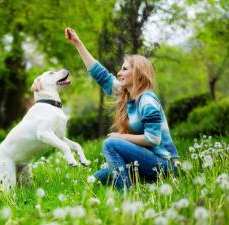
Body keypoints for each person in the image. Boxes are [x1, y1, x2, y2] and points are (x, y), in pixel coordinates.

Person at [64, 27, 180, 191]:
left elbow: (153, 139)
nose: (119, 72)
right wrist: (78, 43)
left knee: (111, 144)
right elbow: (101, 75)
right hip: (146, 161)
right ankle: (131, 183)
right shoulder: (128, 95)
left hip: (165, 165)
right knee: (95, 179)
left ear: (138, 74)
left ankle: (127, 193)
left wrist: (121, 137)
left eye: (124, 69)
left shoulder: (147, 100)